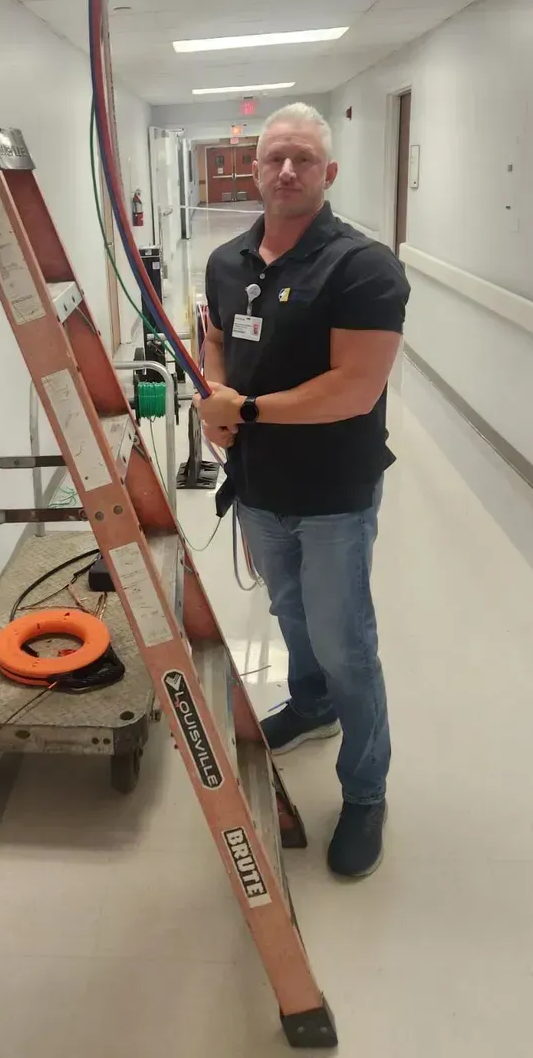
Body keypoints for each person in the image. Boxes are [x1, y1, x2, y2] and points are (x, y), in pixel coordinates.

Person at [196, 103, 409, 879]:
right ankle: (312, 705)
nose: (287, 171)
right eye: (274, 158)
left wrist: (246, 410)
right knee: (290, 613)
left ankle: (366, 791)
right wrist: (215, 398)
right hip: (259, 485)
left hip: (332, 493)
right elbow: (215, 337)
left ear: (329, 173)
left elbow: (355, 388)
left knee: (346, 642)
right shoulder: (226, 262)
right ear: (254, 170)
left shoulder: (362, 268)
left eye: (304, 160)